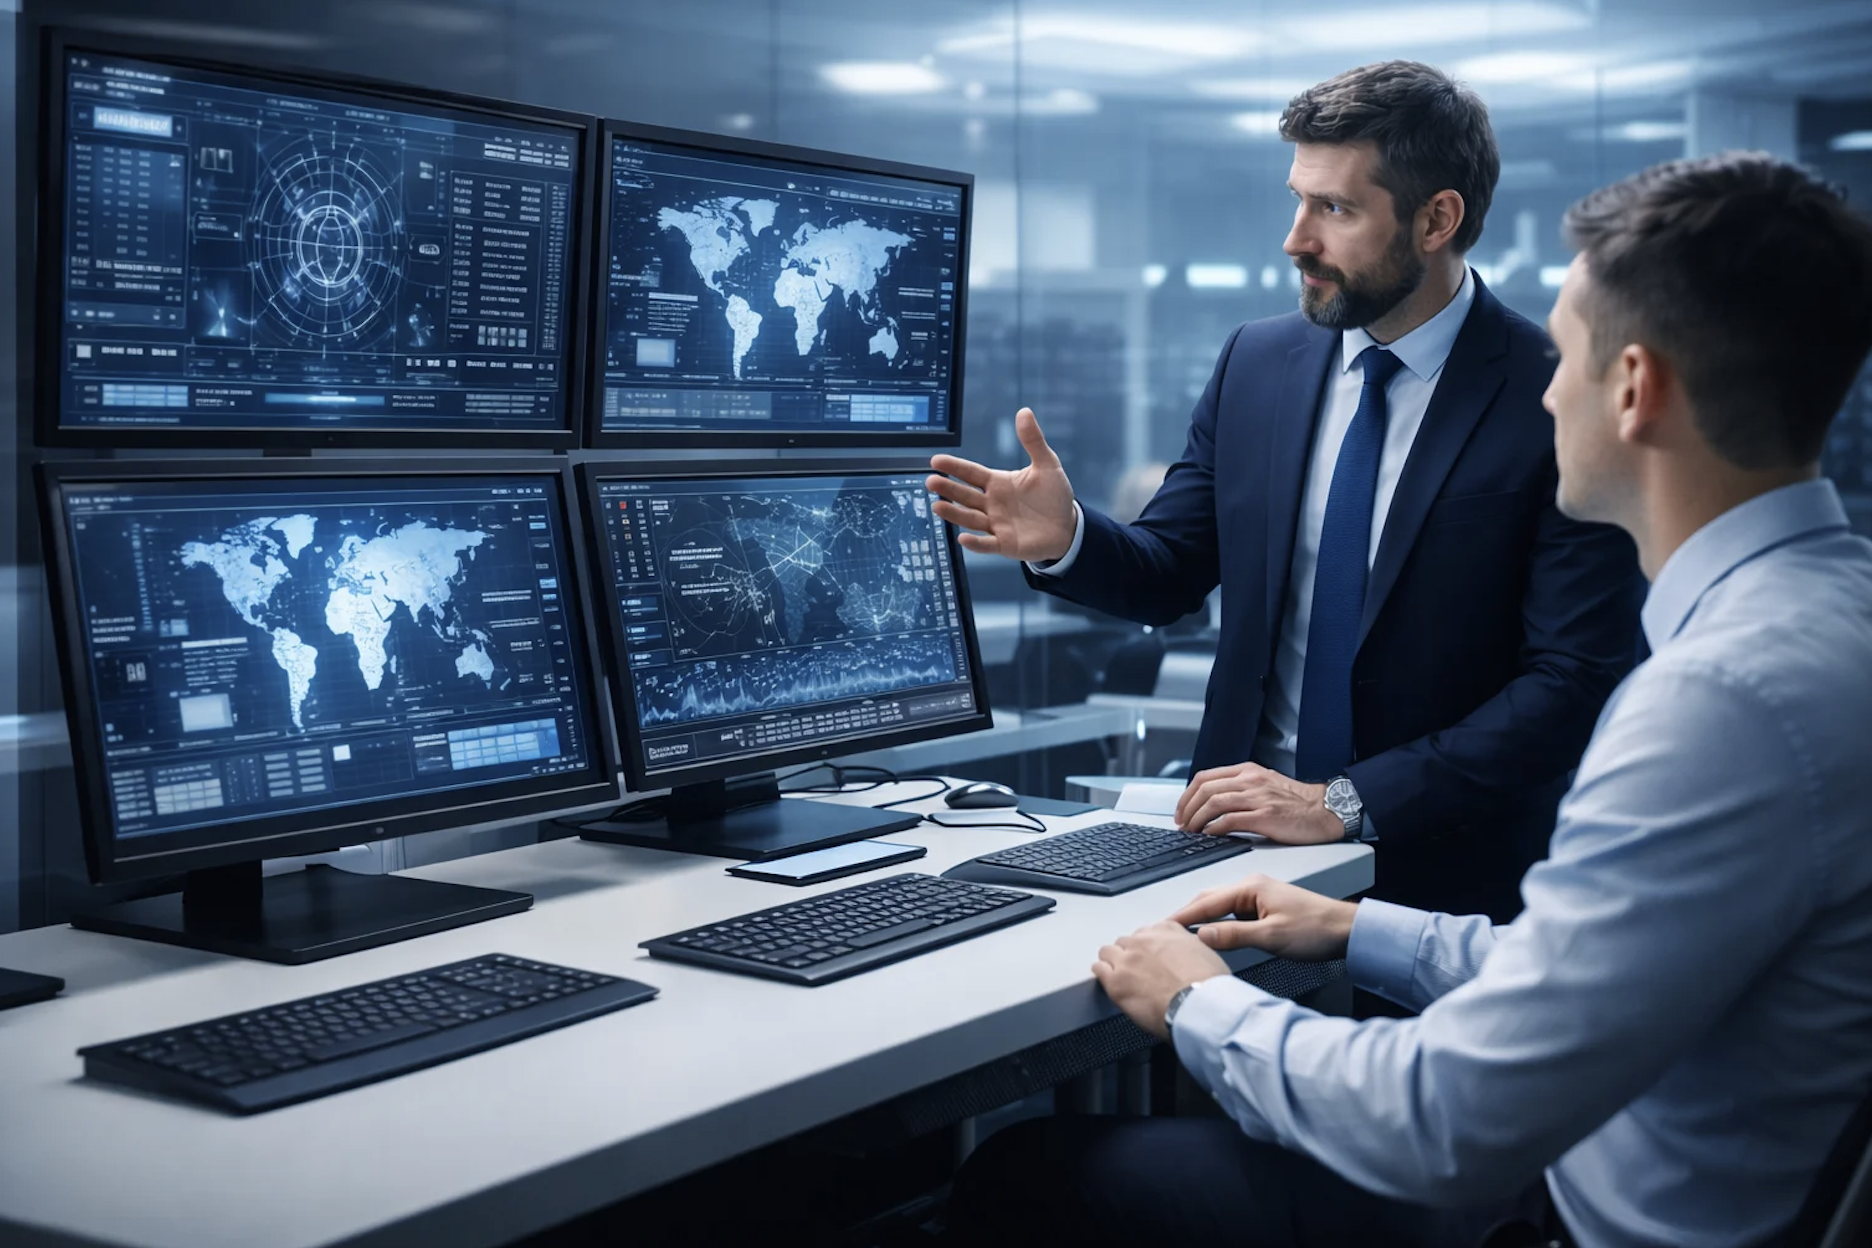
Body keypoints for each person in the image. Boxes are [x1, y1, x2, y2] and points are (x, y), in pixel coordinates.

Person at [946, 150, 1872, 1248]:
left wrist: (1196, 999)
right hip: (1620, 1141)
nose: (1542, 385)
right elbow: (1594, 969)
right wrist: (1359, 928)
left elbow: (1442, 1120)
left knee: (1028, 1176)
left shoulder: (1718, 703)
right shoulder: (1830, 618)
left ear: (1635, 391)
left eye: (1564, 356)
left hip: (1560, 1206)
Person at [928, 61, 1642, 923]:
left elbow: (1573, 679)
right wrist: (1068, 536)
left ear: (1436, 219)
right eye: (1297, 199)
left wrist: (1342, 802)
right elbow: (1171, 569)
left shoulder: (1552, 393)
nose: (1295, 238)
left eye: (1334, 209)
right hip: (1230, 858)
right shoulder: (1257, 362)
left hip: (1449, 881)